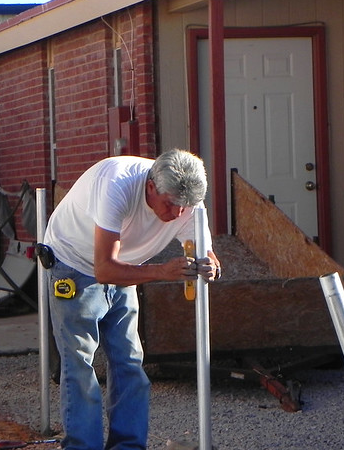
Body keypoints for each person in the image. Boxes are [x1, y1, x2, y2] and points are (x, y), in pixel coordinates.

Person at [42, 149, 221, 450]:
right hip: (75, 263)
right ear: (151, 187)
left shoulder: (187, 197)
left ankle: (128, 446)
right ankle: (83, 447)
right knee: (80, 363)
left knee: (129, 362)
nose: (177, 215)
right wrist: (162, 272)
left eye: (184, 207)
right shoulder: (116, 185)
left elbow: (205, 251)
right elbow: (104, 269)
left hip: (127, 267)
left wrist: (210, 265)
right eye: (169, 205)